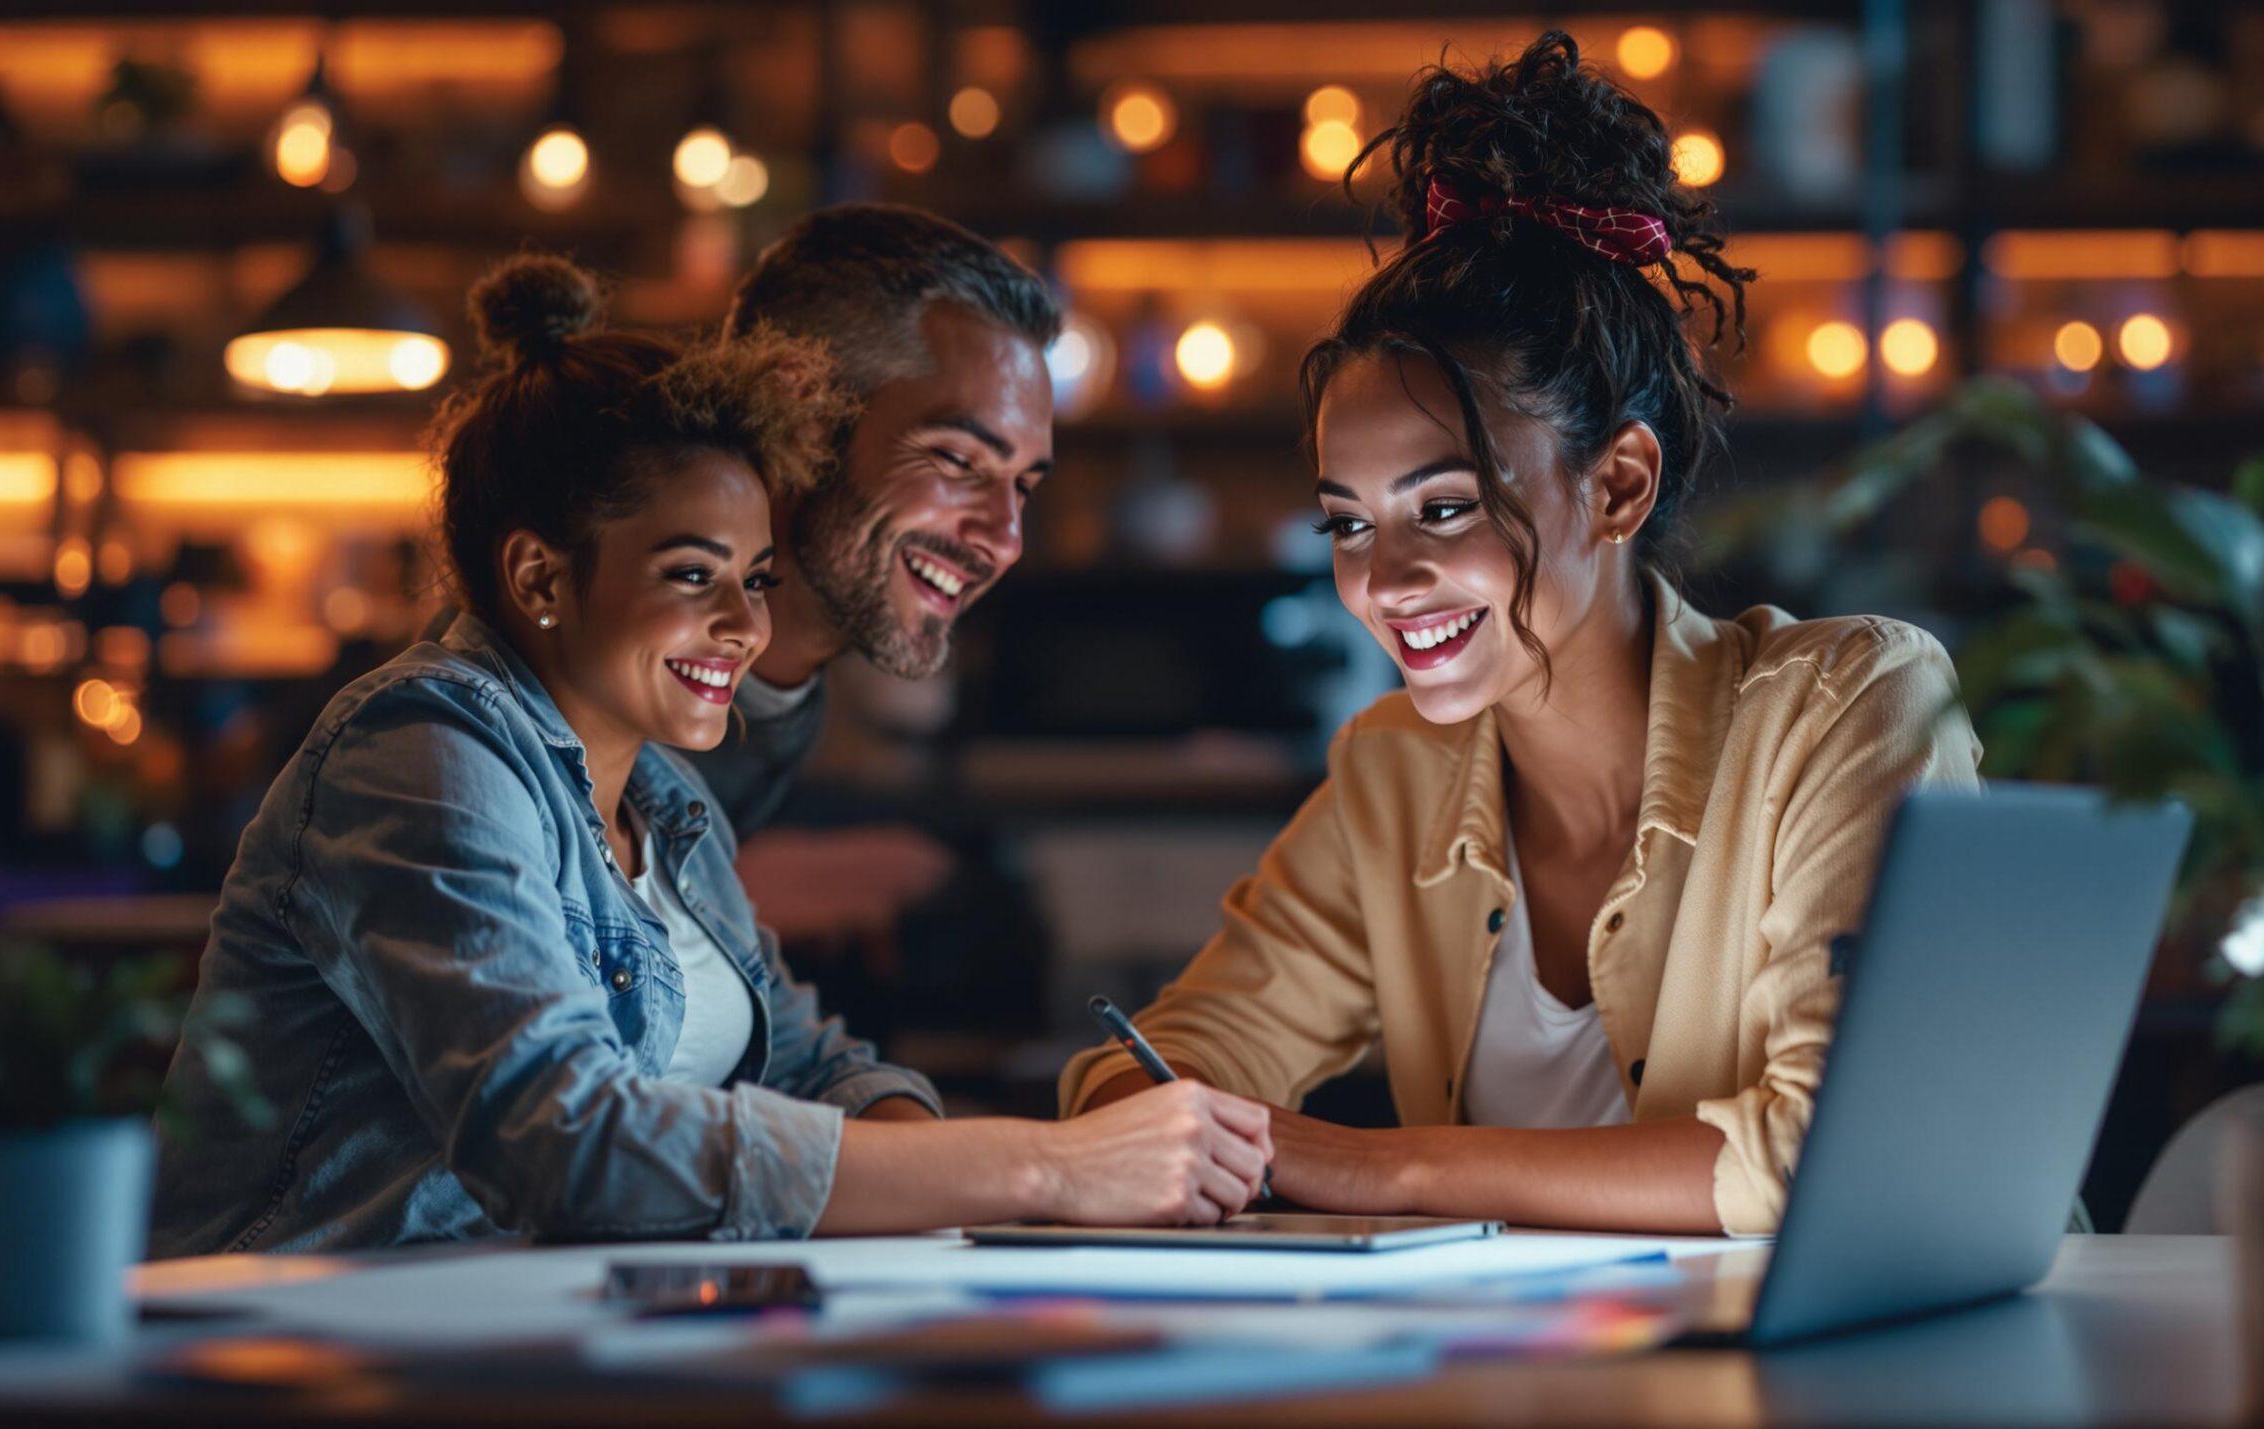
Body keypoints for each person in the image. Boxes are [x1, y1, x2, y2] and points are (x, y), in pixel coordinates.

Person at [151, 257, 1268, 1256]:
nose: (744, 624)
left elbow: (813, 1067)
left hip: (554, 1351)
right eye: (695, 574)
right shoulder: (421, 751)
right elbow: (565, 1140)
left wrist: (973, 1181)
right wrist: (1050, 1168)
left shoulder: (667, 800)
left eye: (756, 578)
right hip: (304, 1355)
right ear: (540, 579)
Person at [1061, 34, 1981, 1238]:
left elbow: (1845, 1151)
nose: (1385, 579)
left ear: (1617, 487)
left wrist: (1381, 1167)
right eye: (1349, 523)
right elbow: (1183, 1050)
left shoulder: (1851, 708)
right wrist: (1146, 1116)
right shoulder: (1393, 773)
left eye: (1444, 507)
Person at [692, 203, 1059, 835]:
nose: (1004, 541)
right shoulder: (565, 701)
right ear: (793, 410)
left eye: (1022, 486)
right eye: (957, 459)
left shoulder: (777, 706)